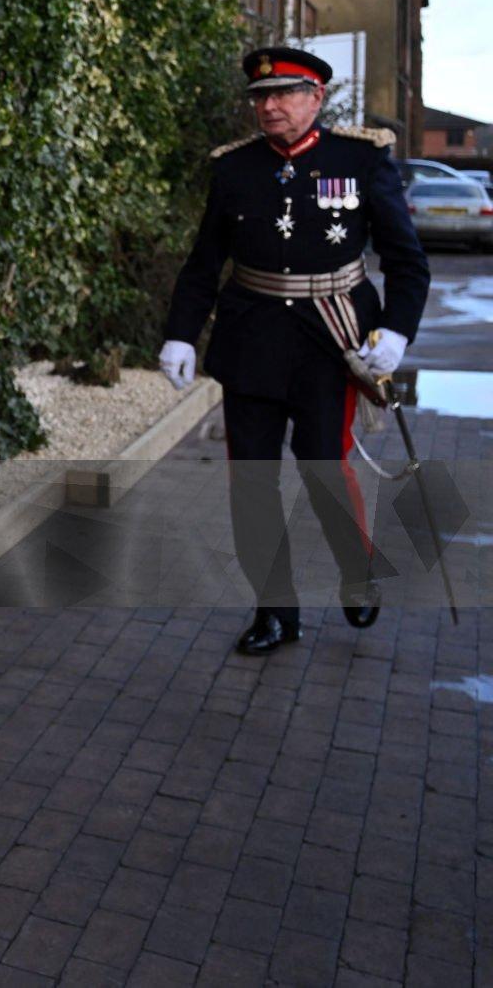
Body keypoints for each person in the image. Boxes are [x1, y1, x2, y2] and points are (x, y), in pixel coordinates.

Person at [161, 46, 429, 655]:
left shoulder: (360, 160)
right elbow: (206, 261)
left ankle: (358, 572)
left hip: (329, 344)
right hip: (251, 341)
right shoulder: (234, 169)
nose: (270, 106)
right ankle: (275, 611)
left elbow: (407, 262)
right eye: (260, 97)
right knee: (251, 483)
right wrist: (180, 331)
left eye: (284, 94)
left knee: (322, 469)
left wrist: (395, 331)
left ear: (318, 98)